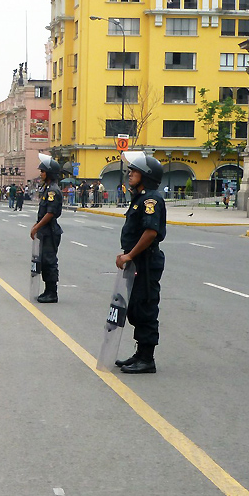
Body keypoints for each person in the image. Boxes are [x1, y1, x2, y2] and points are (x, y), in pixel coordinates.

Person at [114, 152, 167, 374]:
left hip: (145, 260)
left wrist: (130, 255)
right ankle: (139, 353)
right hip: (137, 260)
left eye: (134, 171)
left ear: (145, 176)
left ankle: (147, 359)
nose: (130, 174)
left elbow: (151, 232)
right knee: (135, 307)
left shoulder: (151, 200)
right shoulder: (140, 198)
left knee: (145, 307)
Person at [29, 157, 63, 303]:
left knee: (49, 261)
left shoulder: (53, 191)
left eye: (43, 171)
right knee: (43, 260)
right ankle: (47, 290)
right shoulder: (48, 189)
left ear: (49, 173)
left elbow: (50, 213)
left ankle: (52, 292)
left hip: (50, 231)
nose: (41, 174)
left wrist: (37, 226)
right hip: (45, 231)